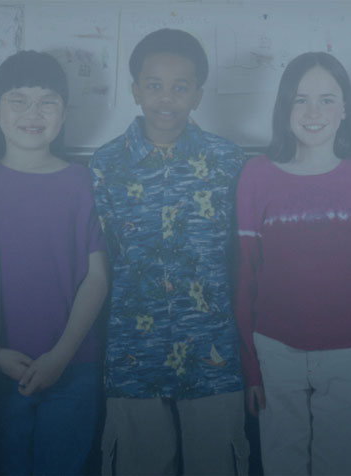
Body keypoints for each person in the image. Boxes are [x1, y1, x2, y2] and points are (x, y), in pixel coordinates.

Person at [90, 28, 249, 475]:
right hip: (132, 351)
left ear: (197, 95)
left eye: (180, 87)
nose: (166, 98)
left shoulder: (228, 162)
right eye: (154, 85)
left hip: (212, 348)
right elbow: (102, 258)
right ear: (136, 90)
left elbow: (241, 257)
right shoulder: (106, 164)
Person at [234, 52, 351, 475]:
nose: (313, 112)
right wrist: (250, 368)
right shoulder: (256, 175)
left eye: (326, 99)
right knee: (283, 463)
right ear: (285, 109)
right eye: (300, 100)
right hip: (275, 350)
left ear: (344, 111)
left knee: (343, 465)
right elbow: (245, 276)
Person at [0, 50, 108, 475]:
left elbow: (96, 278)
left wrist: (61, 356)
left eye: (47, 101)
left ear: (64, 114)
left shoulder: (85, 183)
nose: (33, 113)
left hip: (73, 367)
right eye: (19, 100)